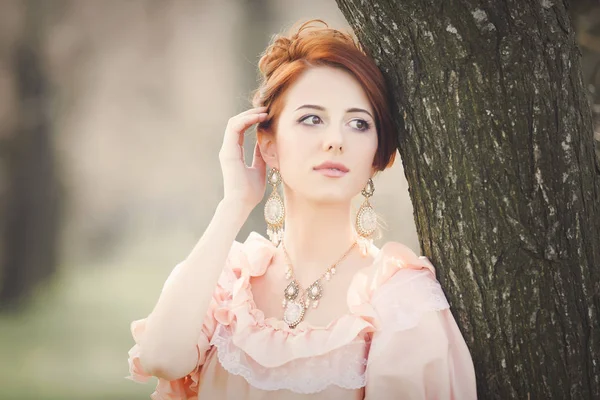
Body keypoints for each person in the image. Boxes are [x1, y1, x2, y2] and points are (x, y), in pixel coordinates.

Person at [126, 19, 477, 400]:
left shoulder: (400, 301)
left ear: (377, 156)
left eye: (358, 123)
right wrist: (235, 205)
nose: (335, 141)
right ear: (268, 145)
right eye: (312, 119)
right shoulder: (229, 281)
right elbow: (162, 359)